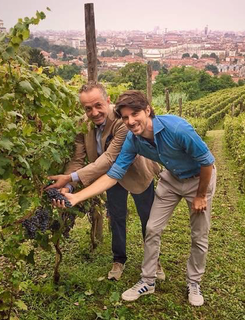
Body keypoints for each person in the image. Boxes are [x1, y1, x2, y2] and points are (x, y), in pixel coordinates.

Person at [54, 90, 216, 307]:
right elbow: (113, 173)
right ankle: (148, 281)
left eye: (135, 114)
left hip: (199, 180)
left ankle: (194, 282)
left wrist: (200, 195)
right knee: (151, 228)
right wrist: (76, 197)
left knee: (199, 235)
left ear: (147, 110)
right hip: (171, 179)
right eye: (125, 117)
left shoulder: (177, 128)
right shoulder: (133, 140)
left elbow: (207, 161)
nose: (130, 121)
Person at [47, 83, 164, 281]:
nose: (94, 112)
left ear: (108, 100)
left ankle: (154, 260)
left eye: (98, 105)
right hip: (108, 180)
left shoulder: (121, 120)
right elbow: (77, 159)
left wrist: (71, 178)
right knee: (116, 217)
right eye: (88, 108)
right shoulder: (81, 124)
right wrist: (67, 185)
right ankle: (119, 260)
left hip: (136, 174)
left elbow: (109, 158)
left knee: (148, 220)